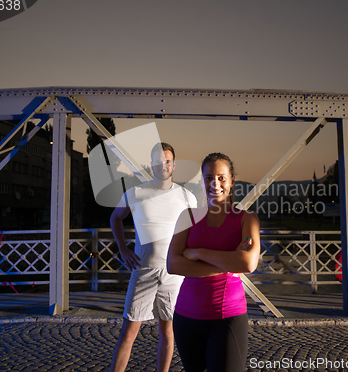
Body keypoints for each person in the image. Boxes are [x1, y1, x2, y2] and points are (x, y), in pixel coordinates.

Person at [167, 152, 261, 372]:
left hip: (226, 318)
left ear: (232, 181)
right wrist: (228, 263)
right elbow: (173, 264)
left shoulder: (247, 219)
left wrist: (197, 252)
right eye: (208, 177)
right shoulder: (187, 217)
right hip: (185, 318)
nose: (214, 183)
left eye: (221, 177)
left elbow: (247, 264)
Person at [110, 142, 197, 372]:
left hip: (174, 274)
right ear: (152, 165)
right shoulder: (136, 193)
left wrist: (191, 255)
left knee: (168, 332)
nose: (163, 165)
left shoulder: (187, 197)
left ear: (174, 165)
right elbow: (115, 218)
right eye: (159, 161)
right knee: (129, 332)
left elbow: (195, 231)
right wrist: (123, 249)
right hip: (143, 270)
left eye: (167, 161)